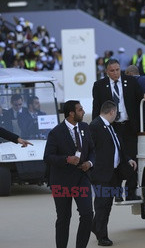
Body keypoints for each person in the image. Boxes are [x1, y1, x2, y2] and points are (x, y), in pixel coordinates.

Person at [43, 100, 95, 248]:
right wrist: (66, 159)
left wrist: (90, 163)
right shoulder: (56, 132)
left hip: (81, 179)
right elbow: (48, 157)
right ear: (71, 113)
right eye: (80, 110)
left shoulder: (85, 127)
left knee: (87, 215)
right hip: (61, 181)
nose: (83, 112)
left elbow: (92, 150)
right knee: (64, 218)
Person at [92, 59, 143, 201]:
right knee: (115, 159)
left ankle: (131, 192)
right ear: (106, 71)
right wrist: (95, 129)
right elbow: (96, 108)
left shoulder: (131, 82)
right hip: (111, 128)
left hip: (129, 126)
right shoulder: (99, 86)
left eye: (117, 70)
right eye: (112, 71)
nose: (115, 73)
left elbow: (140, 99)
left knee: (132, 158)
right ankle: (117, 192)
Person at [90, 101, 137, 246]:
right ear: (112, 112)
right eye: (116, 112)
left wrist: (127, 159)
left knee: (107, 205)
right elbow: (89, 149)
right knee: (102, 205)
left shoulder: (110, 127)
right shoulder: (95, 126)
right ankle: (102, 237)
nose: (116, 115)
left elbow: (118, 146)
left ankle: (95, 227)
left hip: (113, 173)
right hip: (101, 173)